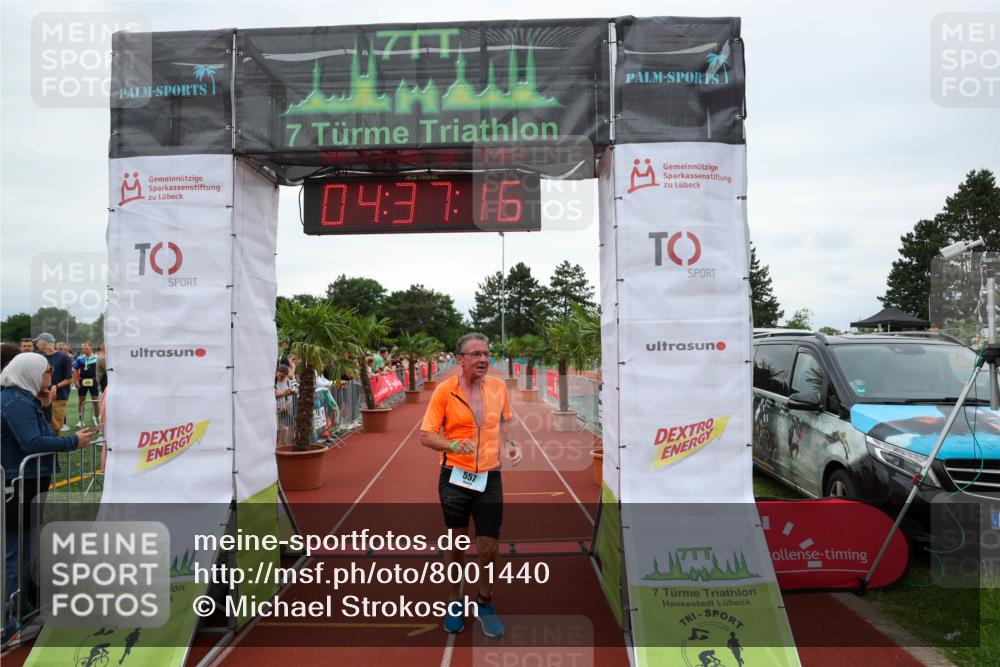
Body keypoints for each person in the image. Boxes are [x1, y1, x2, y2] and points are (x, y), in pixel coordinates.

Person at [419, 332, 522, 638]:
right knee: (456, 543)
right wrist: (452, 443)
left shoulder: (499, 388)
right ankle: (454, 601)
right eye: (475, 354)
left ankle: (485, 601)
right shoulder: (444, 392)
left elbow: (505, 422)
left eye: (486, 353)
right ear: (460, 359)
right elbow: (426, 435)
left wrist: (512, 443)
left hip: (490, 476)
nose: (483, 359)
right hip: (454, 477)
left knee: (489, 547)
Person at [2, 353, 95, 642]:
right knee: (18, 549)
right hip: (20, 482)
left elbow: (41, 430)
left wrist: (43, 405)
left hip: (30, 480)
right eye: (47, 370)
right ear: (31, 372)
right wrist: (73, 442)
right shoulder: (15, 402)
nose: (50, 376)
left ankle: (24, 607)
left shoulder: (24, 399)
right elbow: (32, 441)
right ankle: (10, 617)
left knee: (28, 545)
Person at [32, 333, 74, 433]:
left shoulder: (63, 358)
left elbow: (69, 379)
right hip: (40, 397)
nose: (36, 344)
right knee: (40, 426)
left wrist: (56, 386)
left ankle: (54, 448)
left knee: (55, 428)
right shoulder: (39, 357)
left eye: (38, 341)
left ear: (45, 342)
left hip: (58, 397)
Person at [74, 341, 100, 427]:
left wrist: (99, 381)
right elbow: (76, 370)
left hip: (93, 381)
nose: (84, 350)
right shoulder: (79, 358)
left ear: (91, 348)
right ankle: (80, 420)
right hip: (82, 381)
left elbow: (100, 370)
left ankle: (97, 420)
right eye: (83, 348)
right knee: (81, 400)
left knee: (95, 400)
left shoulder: (97, 358)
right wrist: (76, 381)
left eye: (86, 348)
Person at [275, 364, 297, 447]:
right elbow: (274, 394)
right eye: (279, 375)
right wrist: (284, 393)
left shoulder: (287, 381)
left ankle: (286, 445)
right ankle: (279, 446)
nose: (280, 378)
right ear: (277, 372)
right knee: (278, 430)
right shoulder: (273, 381)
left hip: (285, 409)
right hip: (275, 409)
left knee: (287, 428)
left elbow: (293, 391)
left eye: (283, 376)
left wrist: (286, 404)